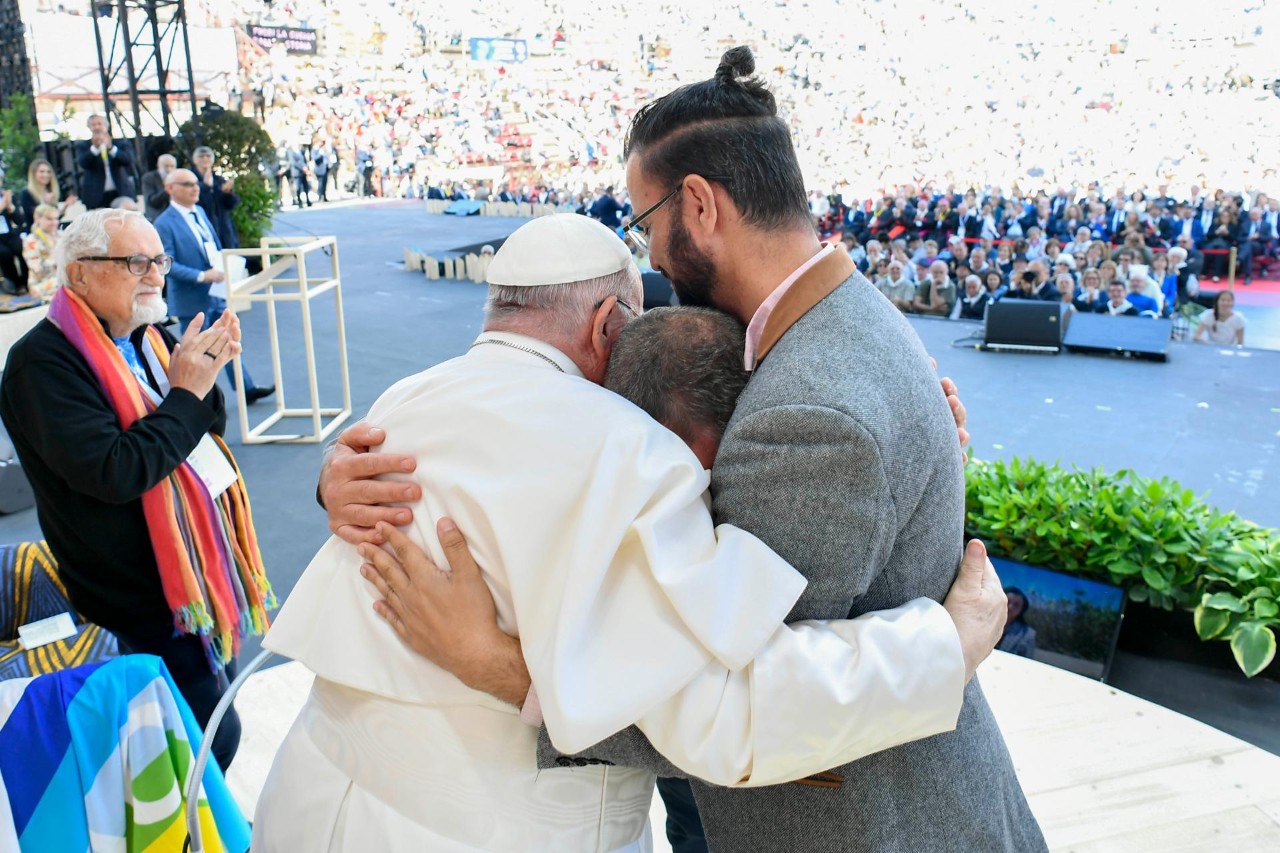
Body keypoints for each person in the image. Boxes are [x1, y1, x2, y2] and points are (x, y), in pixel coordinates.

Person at [321, 46, 1045, 853]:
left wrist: (492, 660)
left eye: (646, 223)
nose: (652, 257)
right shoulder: (838, 317)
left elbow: (734, 705)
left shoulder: (808, 408)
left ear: (698, 205)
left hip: (851, 824)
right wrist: (340, 481)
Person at [255, 215, 1006, 852]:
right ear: (609, 324)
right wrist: (943, 646)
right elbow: (722, 716)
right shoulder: (630, 450)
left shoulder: (400, 402)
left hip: (310, 795)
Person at [0, 208, 275, 772]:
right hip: (130, 591)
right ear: (79, 275)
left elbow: (204, 426)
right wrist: (186, 393)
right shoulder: (41, 364)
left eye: (159, 259)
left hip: (185, 571)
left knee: (201, 729)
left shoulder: (146, 334)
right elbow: (117, 471)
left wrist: (206, 371)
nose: (155, 274)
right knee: (205, 740)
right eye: (135, 261)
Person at [154, 169, 274, 403]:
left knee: (228, 341)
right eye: (187, 184)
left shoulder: (199, 211)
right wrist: (202, 275)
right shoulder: (164, 223)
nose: (195, 188)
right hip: (192, 296)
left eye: (196, 183)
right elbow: (167, 263)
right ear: (170, 188)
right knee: (196, 351)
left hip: (217, 291)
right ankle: (199, 400)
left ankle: (246, 387)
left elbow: (213, 245)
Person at [77, 114, 136, 210]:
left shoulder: (120, 142)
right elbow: (83, 163)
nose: (96, 127)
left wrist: (111, 148)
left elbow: (128, 160)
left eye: (99, 124)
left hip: (120, 192)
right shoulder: (83, 145)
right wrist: (94, 148)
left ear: (106, 126)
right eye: (93, 125)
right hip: (96, 195)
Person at [191, 146, 240, 250]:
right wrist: (205, 187)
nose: (205, 158)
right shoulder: (190, 179)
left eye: (208, 156)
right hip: (202, 226)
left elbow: (230, 205)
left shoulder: (219, 179)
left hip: (223, 227)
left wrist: (228, 193)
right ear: (195, 160)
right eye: (201, 156)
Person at [20, 158, 79, 228]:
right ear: (34, 174)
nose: (46, 175)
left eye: (48, 172)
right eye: (42, 172)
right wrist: (45, 203)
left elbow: (55, 218)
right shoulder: (26, 193)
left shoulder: (49, 191)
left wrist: (66, 206)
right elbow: (34, 217)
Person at [21, 204, 61, 301]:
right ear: (37, 219)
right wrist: (56, 260)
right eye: (49, 219)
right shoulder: (31, 241)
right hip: (43, 281)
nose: (54, 222)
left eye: (56, 219)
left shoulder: (61, 235)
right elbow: (37, 268)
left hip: (62, 275)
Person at [0, 189, 27, 294]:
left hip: (8, 234)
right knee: (4, 253)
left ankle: (25, 281)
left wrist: (11, 207)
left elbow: (20, 221)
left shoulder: (5, 197)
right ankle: (15, 284)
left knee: (22, 247)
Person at [997, 588, 1037, 658]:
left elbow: (1027, 661)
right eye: (1007, 601)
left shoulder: (1028, 634)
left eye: (1016, 605)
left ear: (1021, 609)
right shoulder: (982, 621)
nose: (1010, 607)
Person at [141, 153, 177, 222]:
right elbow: (151, 201)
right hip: (157, 217)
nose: (169, 169)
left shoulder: (177, 179)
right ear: (158, 165)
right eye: (166, 166)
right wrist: (168, 190)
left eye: (172, 166)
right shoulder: (148, 178)